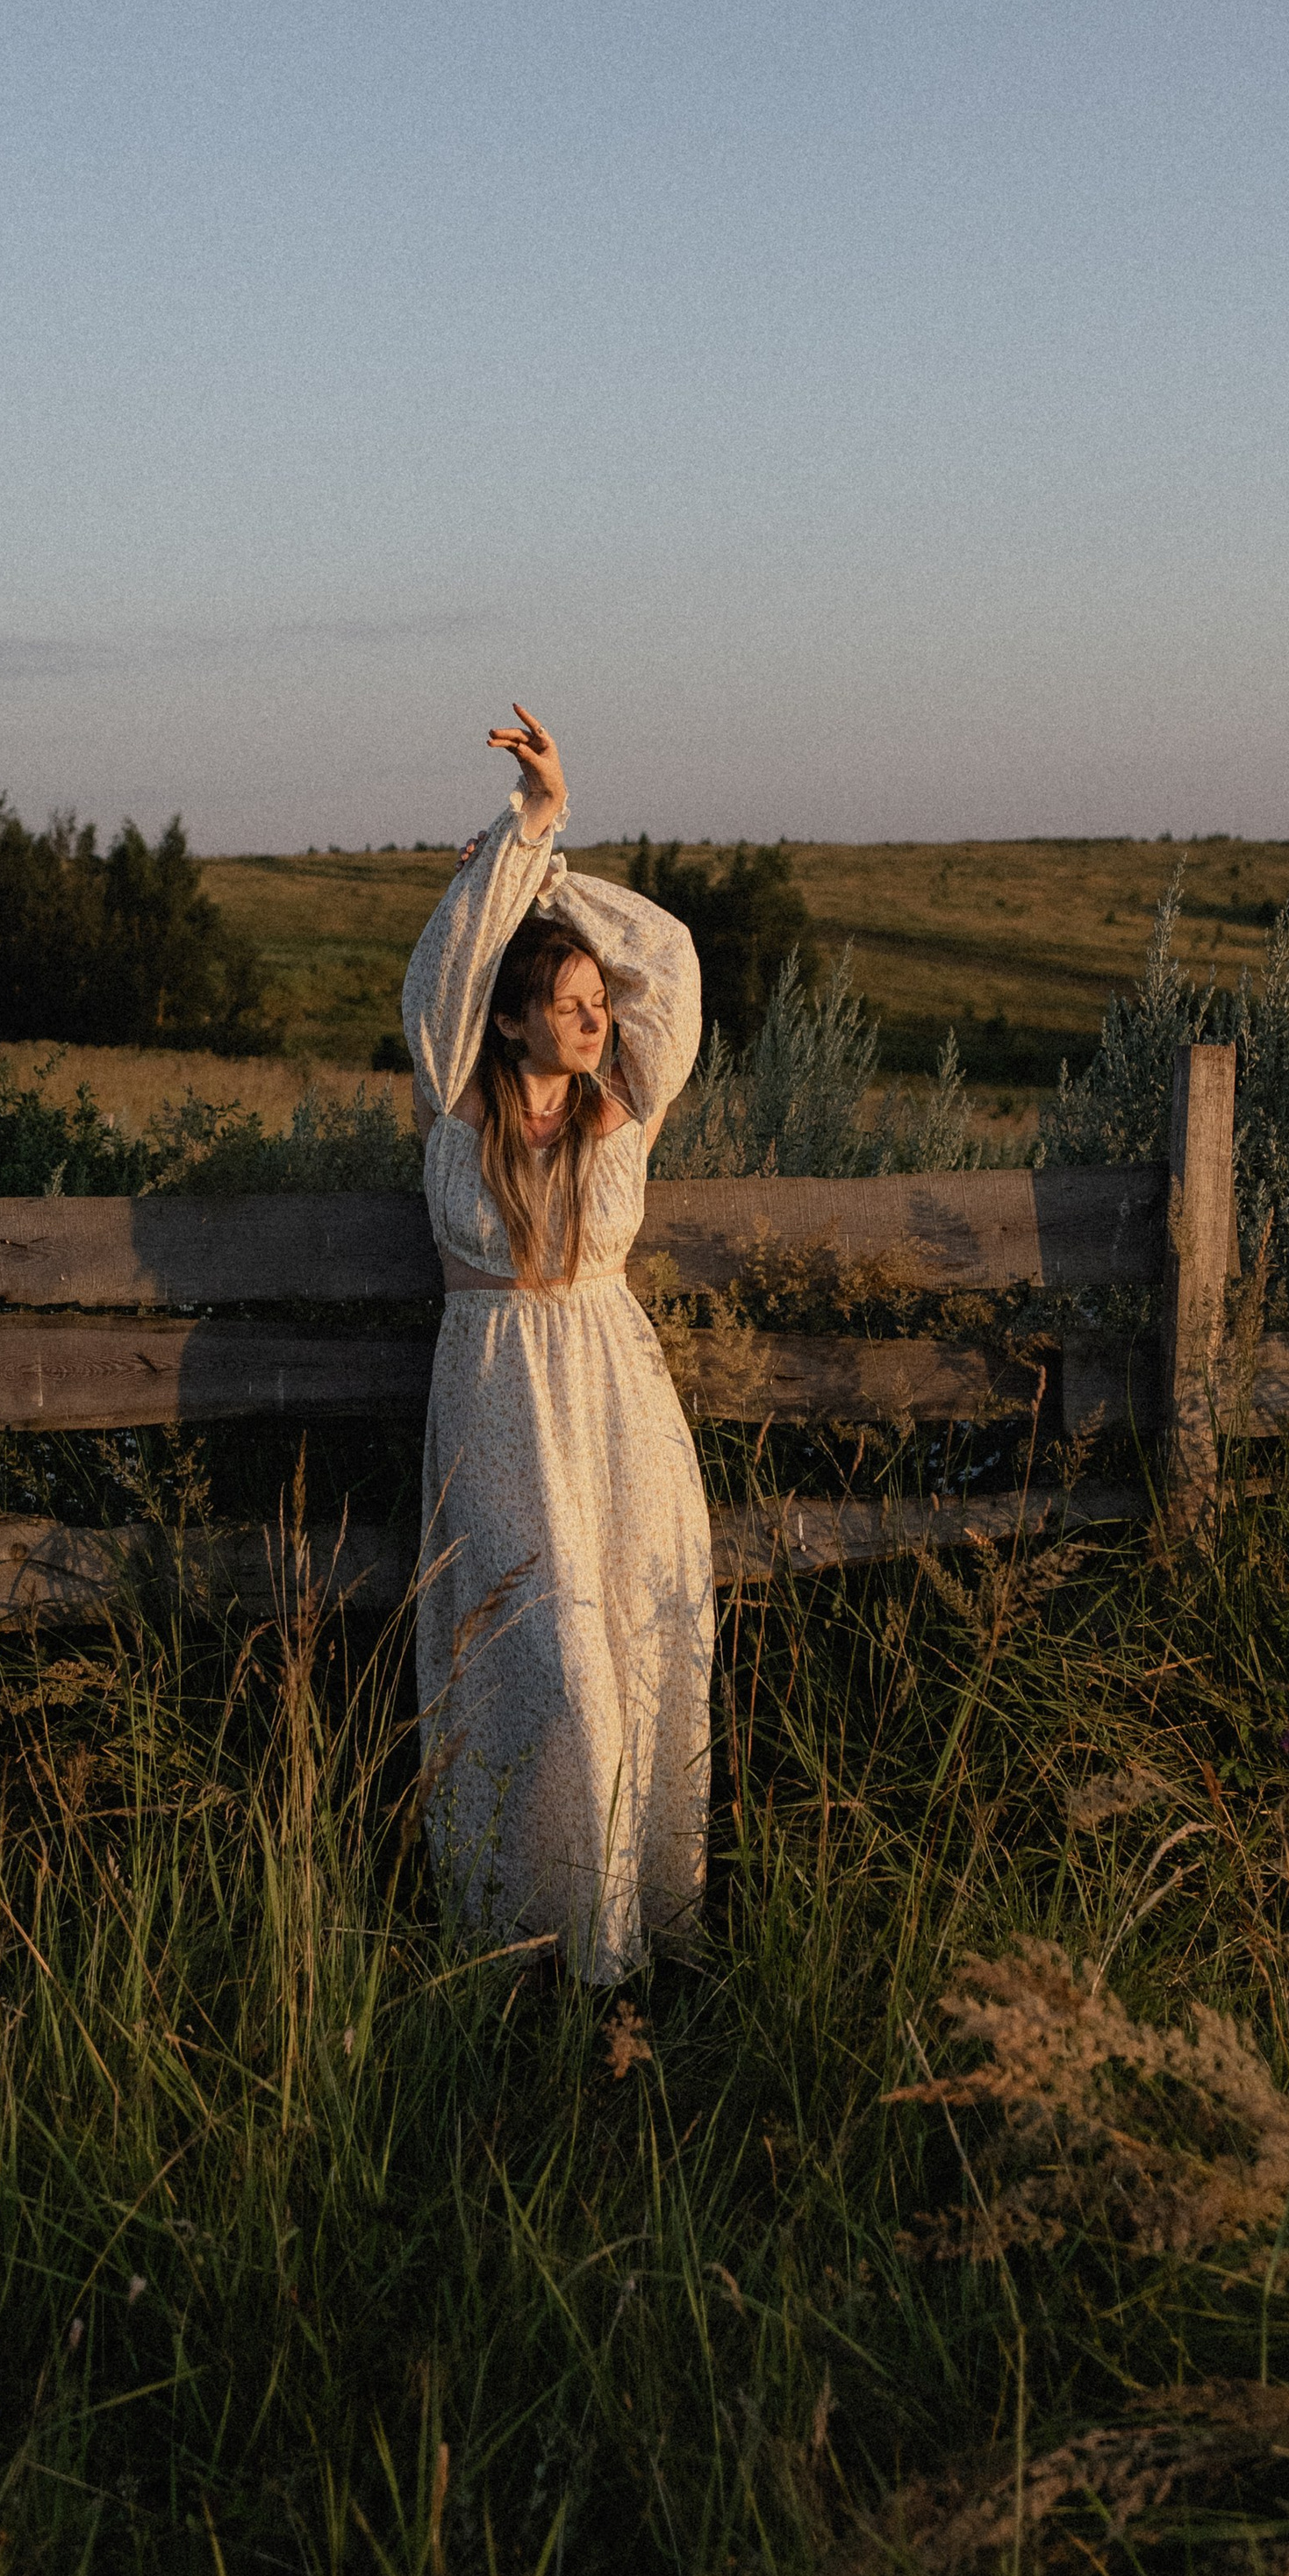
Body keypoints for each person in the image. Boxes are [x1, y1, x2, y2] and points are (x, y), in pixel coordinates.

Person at [401, 704, 712, 1986]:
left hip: (616, 1402)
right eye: (568, 1003)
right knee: (542, 1658)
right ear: (512, 1019)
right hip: (498, 1401)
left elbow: (668, 961)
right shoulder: (456, 1101)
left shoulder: (620, 1111)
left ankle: (624, 1946)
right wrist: (525, 830)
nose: (595, 1018)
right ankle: (523, 1939)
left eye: (596, 1002)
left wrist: (560, 877)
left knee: (631, 1651)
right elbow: (445, 972)